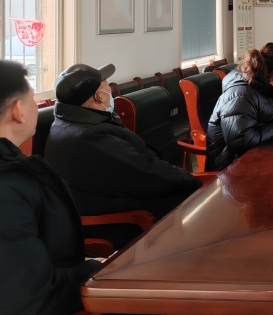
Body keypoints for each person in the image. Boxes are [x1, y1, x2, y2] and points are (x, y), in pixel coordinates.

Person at [44, 63, 201, 248]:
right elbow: (146, 174)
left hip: (111, 197)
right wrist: (189, 179)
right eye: (107, 88)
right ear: (98, 96)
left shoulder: (68, 121)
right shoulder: (90, 138)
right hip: (116, 220)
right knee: (196, 204)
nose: (110, 93)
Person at [0, 60, 104, 315]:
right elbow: (31, 294)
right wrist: (96, 268)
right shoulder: (8, 188)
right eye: (33, 100)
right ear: (18, 111)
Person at [206, 43, 273, 171]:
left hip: (250, 156)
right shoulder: (242, 95)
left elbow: (258, 119)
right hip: (229, 165)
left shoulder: (263, 87)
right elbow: (240, 140)